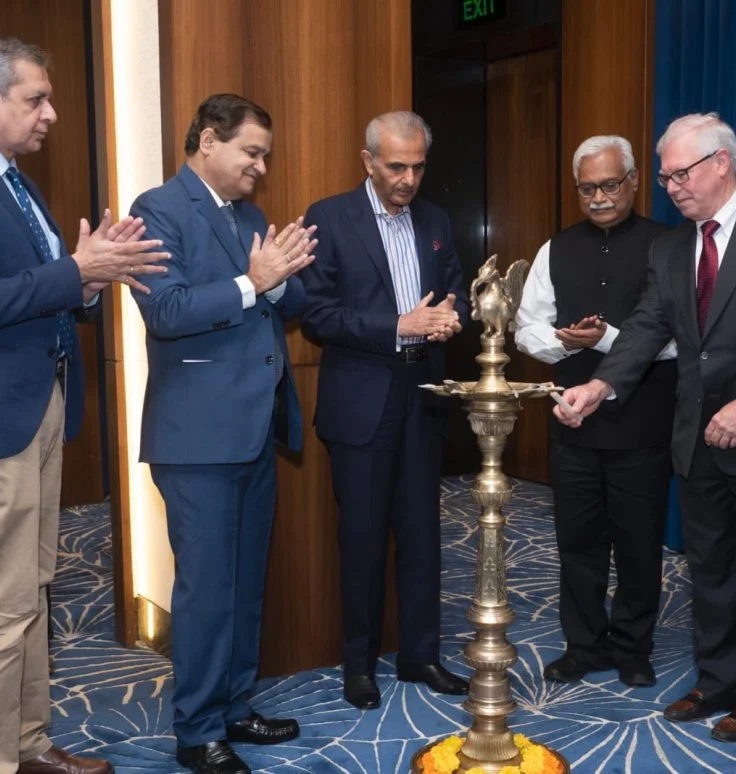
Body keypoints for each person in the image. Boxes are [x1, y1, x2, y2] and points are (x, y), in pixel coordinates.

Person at [0, 36, 167, 773]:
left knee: (30, 591)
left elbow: (37, 290)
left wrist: (86, 280)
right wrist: (72, 270)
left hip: (37, 406)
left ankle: (26, 743)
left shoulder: (14, 180)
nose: (50, 113)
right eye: (36, 98)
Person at [554, 112, 736, 743]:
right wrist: (601, 386)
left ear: (722, 164)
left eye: (680, 174)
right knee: (710, 571)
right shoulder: (671, 247)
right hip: (696, 440)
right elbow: (646, 329)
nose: (671, 187)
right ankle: (716, 682)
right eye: (665, 178)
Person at [129, 94, 315, 774]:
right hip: (197, 437)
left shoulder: (252, 216)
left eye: (265, 155)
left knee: (242, 583)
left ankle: (235, 706)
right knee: (206, 591)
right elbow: (167, 310)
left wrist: (281, 279)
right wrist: (252, 281)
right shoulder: (156, 210)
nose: (261, 167)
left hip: (254, 429)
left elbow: (286, 302)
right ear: (208, 141)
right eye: (252, 152)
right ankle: (198, 730)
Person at [300, 111, 470, 712]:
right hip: (361, 403)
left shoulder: (436, 219)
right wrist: (400, 325)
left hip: (424, 397)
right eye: (397, 166)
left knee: (423, 535)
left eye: (418, 167)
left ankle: (421, 654)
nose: (409, 179)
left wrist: (450, 316)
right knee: (363, 540)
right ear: (368, 160)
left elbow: (456, 289)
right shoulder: (329, 217)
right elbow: (316, 314)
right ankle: (359, 664)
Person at [514, 135, 676, 688]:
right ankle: (582, 645)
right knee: (577, 544)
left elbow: (679, 340)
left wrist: (606, 339)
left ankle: (633, 647)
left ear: (634, 181)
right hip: (572, 422)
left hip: (643, 422)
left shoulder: (668, 245)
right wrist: (563, 343)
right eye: (587, 188)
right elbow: (526, 328)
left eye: (609, 185)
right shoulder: (556, 248)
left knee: (638, 544)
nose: (599, 197)